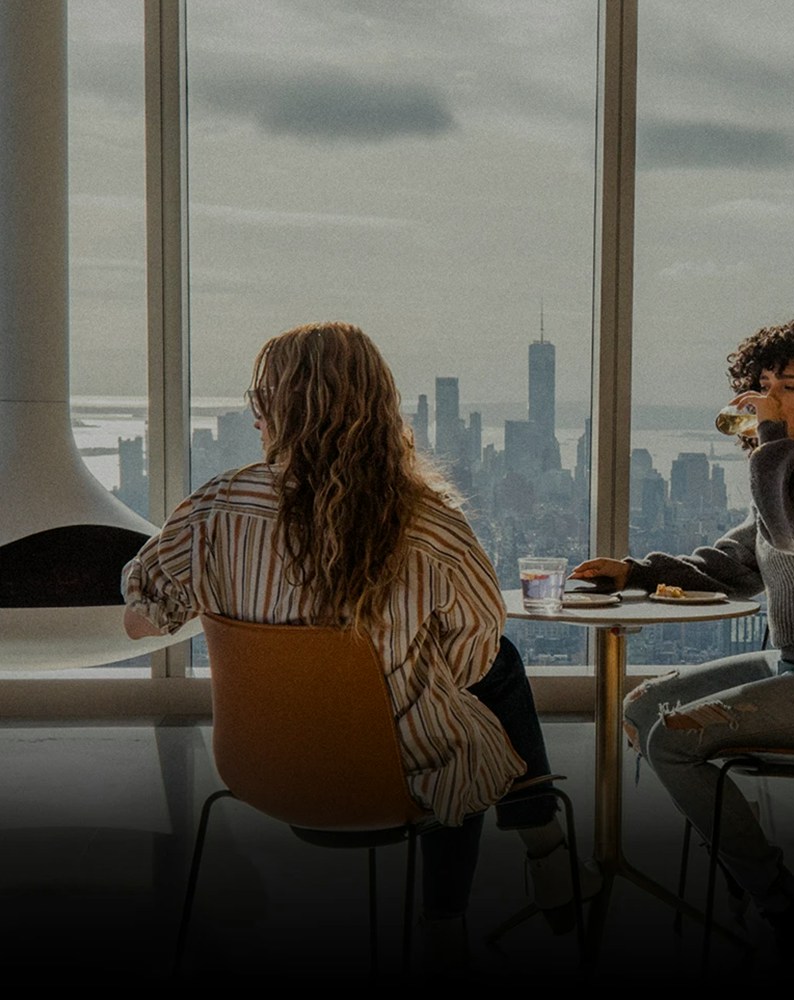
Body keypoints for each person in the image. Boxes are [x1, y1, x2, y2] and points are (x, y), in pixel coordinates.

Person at [121, 322, 580, 963]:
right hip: (399, 776)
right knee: (475, 696)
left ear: (283, 409)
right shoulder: (434, 528)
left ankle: (532, 850)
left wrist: (242, 612)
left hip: (260, 767)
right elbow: (472, 654)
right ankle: (477, 895)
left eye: (260, 400)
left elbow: (141, 622)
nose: (255, 416)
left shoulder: (213, 509)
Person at [572, 320, 794, 959]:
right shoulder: (792, 479)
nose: (770, 401)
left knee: (675, 742)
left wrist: (768, 444)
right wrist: (638, 571)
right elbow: (731, 565)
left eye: (789, 387)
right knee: (642, 707)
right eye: (761, 387)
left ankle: (784, 897)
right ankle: (747, 871)